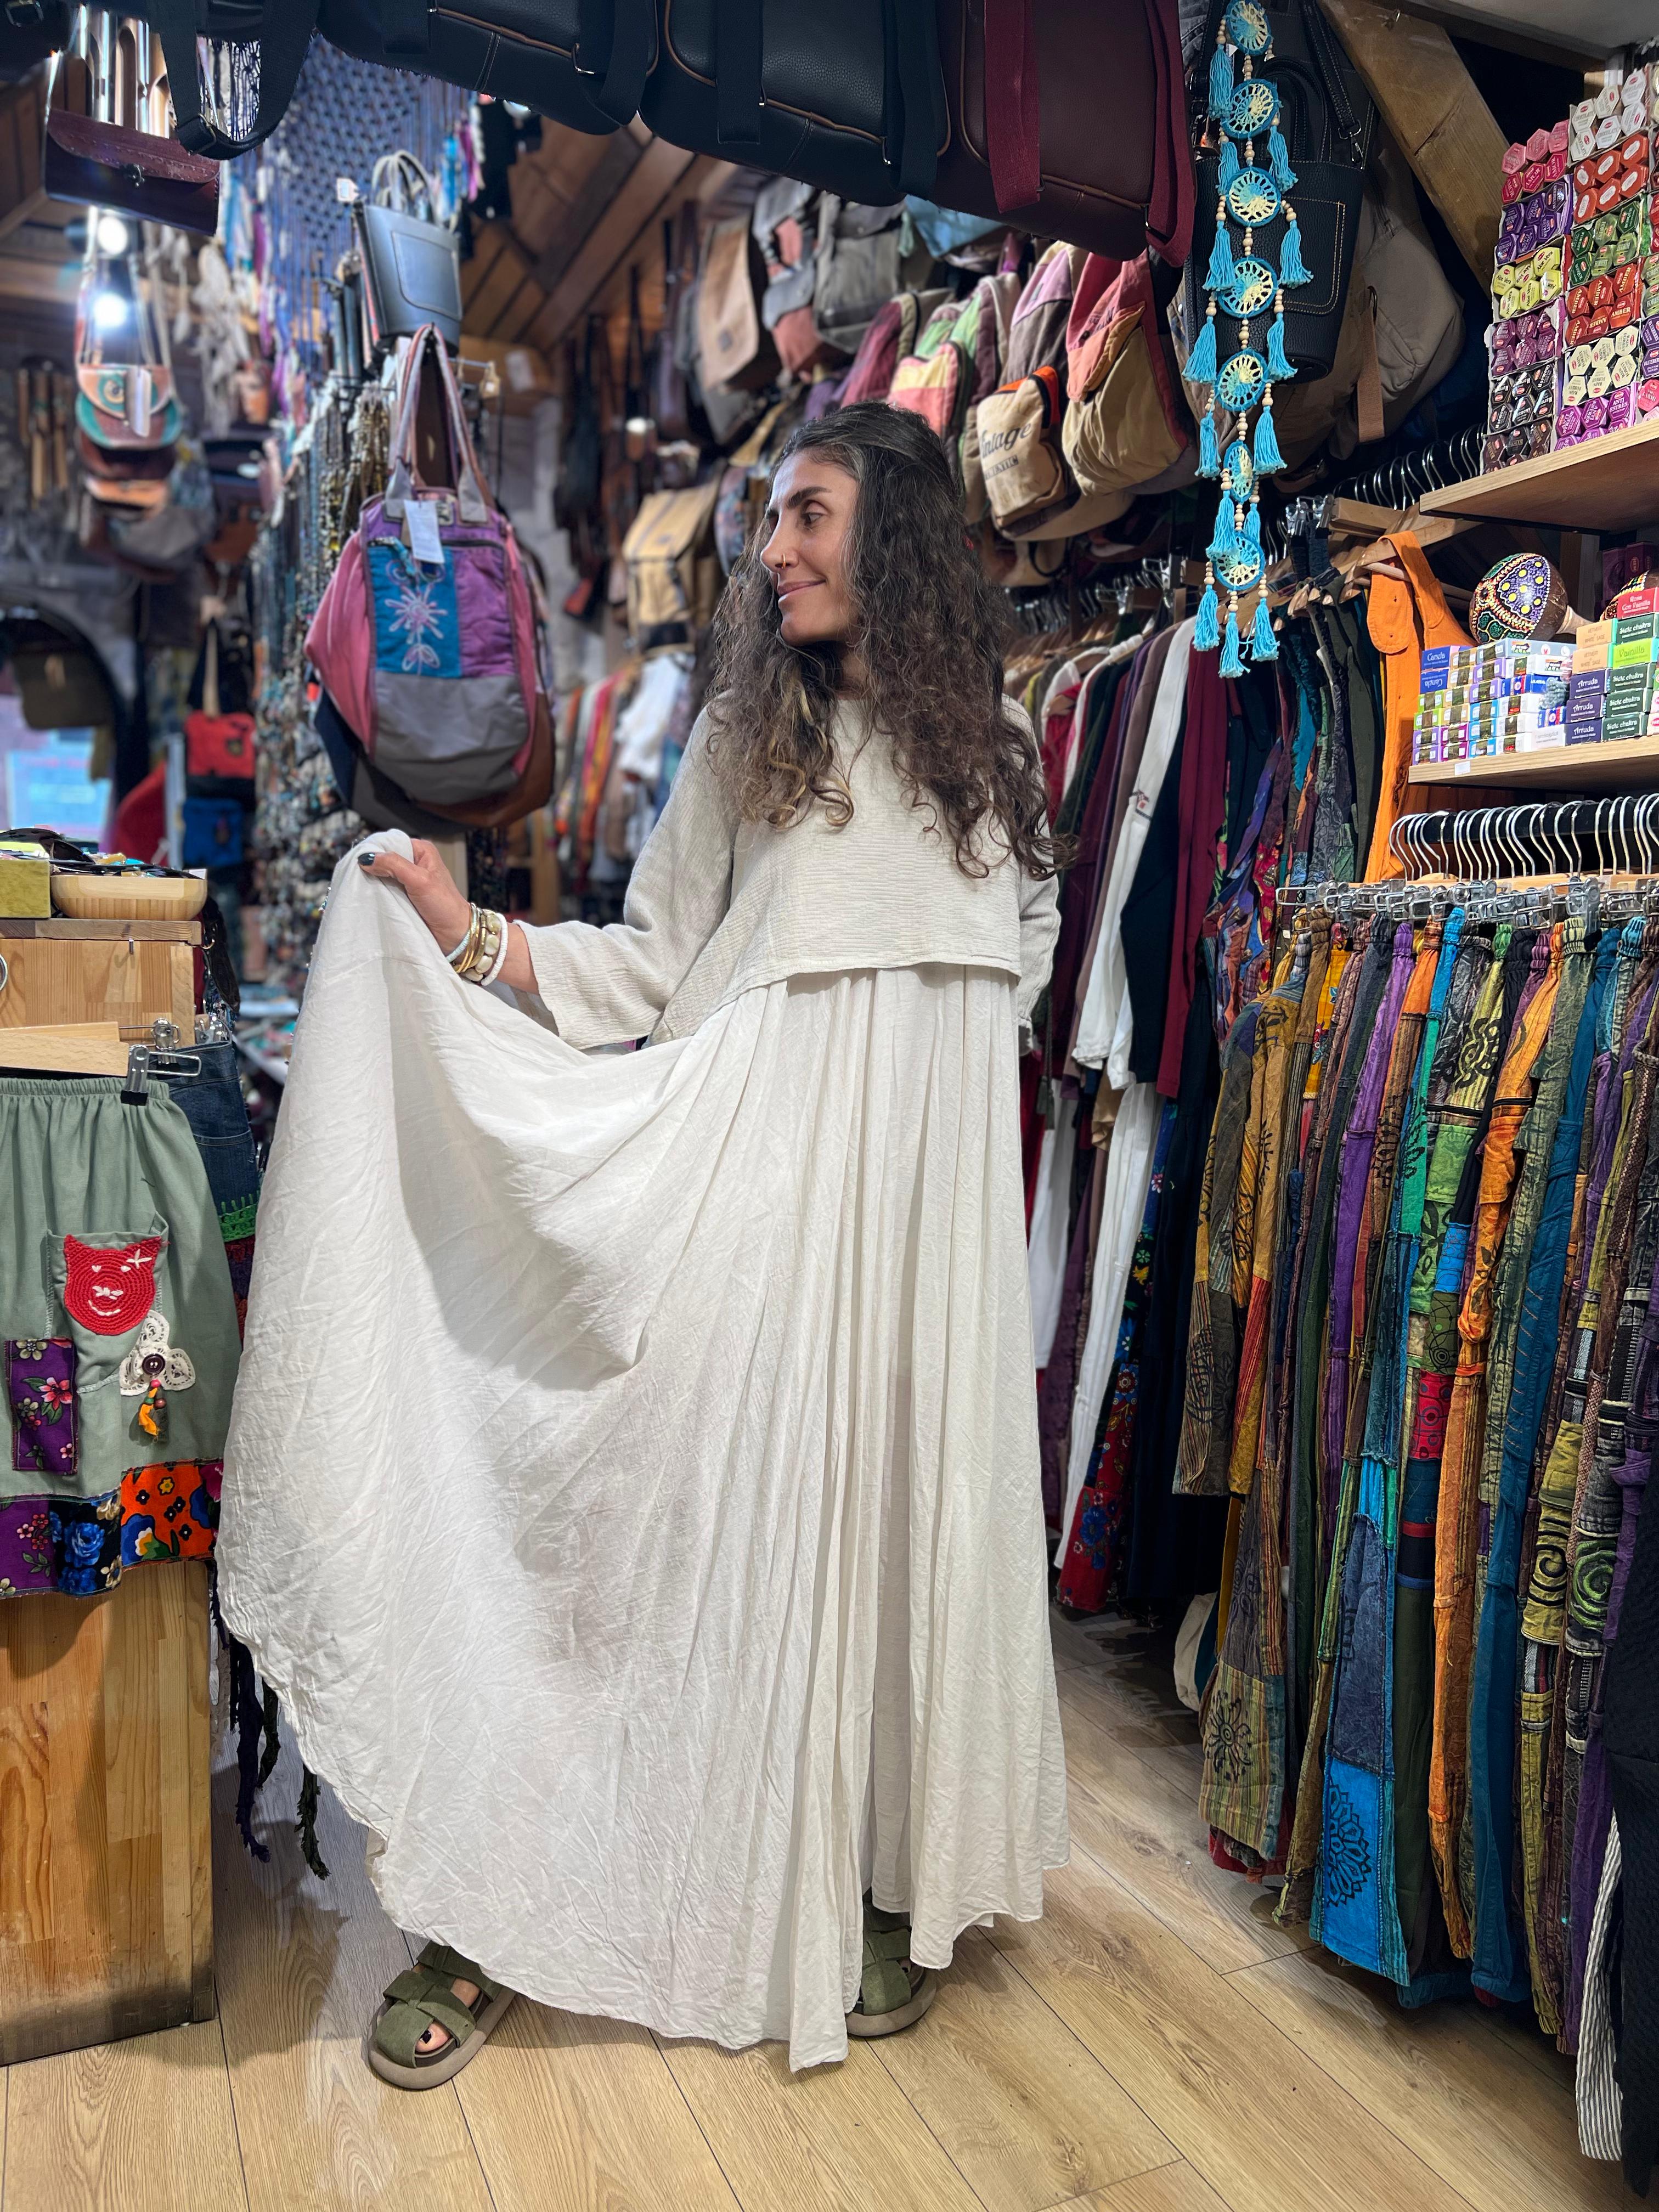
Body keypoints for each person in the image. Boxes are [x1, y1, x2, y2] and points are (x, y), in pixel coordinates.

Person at [218, 402, 1068, 2085]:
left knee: (906, 1520)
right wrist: (470, 937)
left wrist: (931, 1108)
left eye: (810, 515)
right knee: (640, 1519)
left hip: (928, 1223)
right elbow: (656, 959)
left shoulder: (1002, 754)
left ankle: (882, 1868)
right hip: (753, 1181)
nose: (775, 550)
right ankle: (499, 1903)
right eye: (773, 520)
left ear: (897, 535)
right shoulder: (751, 741)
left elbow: (1016, 961)